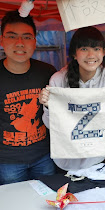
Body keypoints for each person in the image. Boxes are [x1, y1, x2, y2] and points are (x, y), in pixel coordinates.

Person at [39, 26, 105, 171]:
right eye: (84, 49)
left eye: (96, 49)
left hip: (97, 158)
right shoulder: (58, 80)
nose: (91, 55)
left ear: (103, 52)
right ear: (74, 54)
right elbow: (50, 125)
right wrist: (47, 106)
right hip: (65, 161)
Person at [0, 10, 57, 185]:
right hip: (7, 161)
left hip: (44, 156)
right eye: (12, 36)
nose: (19, 43)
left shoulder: (48, 72)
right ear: (2, 40)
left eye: (26, 37)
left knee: (47, 200)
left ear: (34, 41)